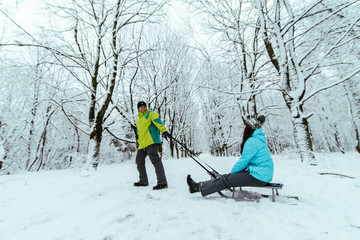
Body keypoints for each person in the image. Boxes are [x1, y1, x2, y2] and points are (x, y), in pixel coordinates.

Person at [186, 115, 274, 196]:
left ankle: (197, 187)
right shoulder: (258, 139)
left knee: (226, 179)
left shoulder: (252, 141)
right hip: (263, 174)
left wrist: (232, 175)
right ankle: (200, 185)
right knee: (227, 178)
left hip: (259, 176)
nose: (243, 128)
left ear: (249, 129)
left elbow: (243, 161)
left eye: (245, 126)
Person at [134, 101, 171, 190]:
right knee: (139, 160)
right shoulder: (138, 121)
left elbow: (158, 122)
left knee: (155, 160)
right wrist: (139, 142)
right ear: (138, 109)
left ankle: (162, 182)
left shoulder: (151, 114)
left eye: (144, 106)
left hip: (151, 141)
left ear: (146, 107)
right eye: (141, 107)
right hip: (142, 144)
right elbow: (139, 133)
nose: (143, 108)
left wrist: (164, 131)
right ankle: (143, 181)